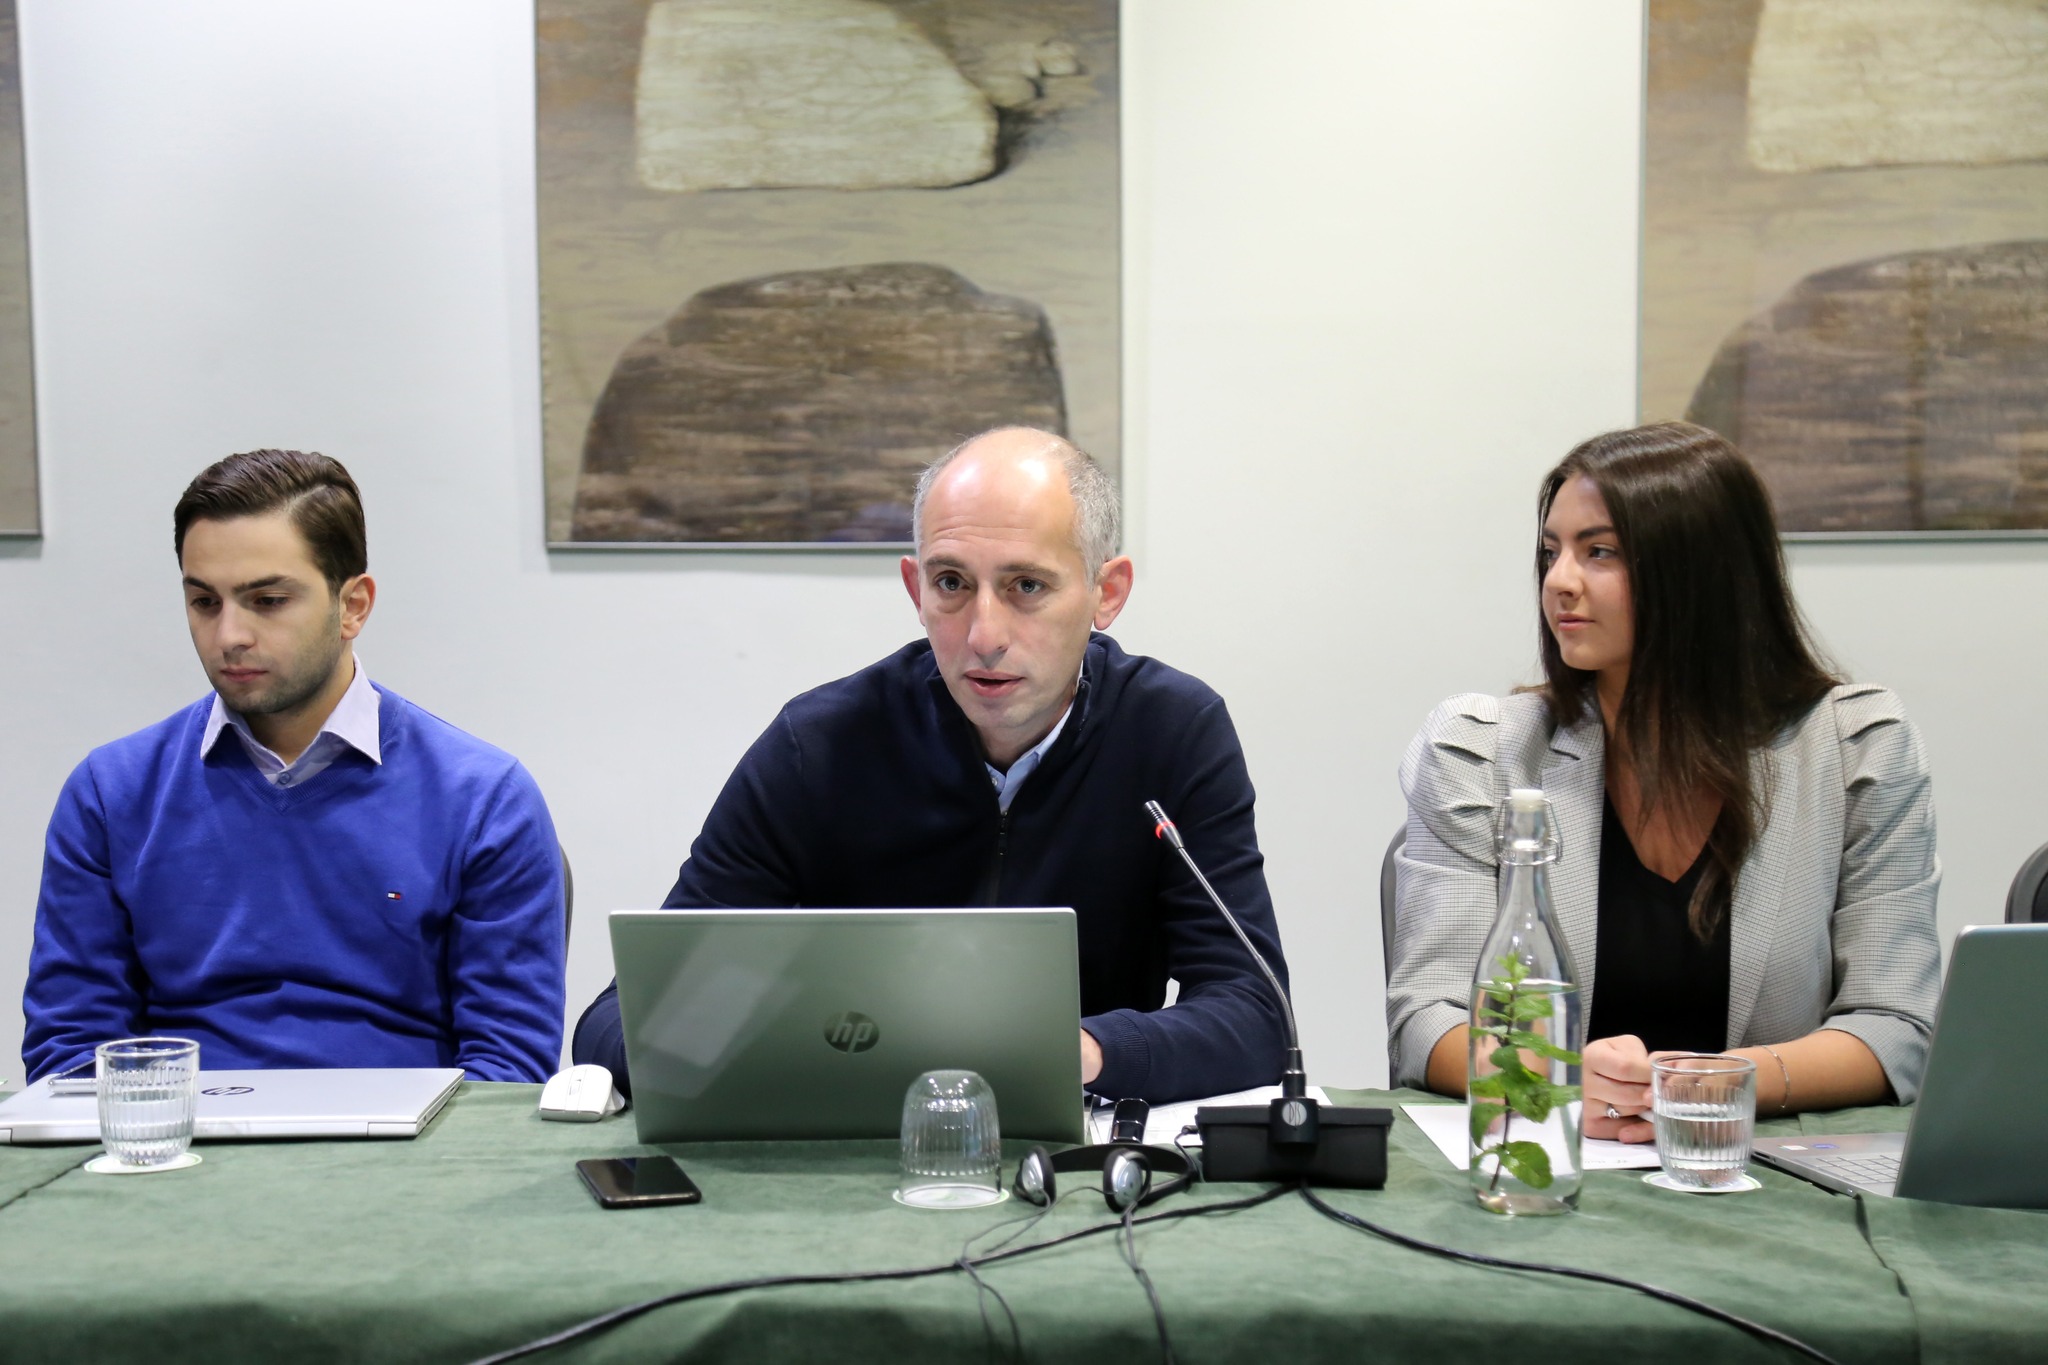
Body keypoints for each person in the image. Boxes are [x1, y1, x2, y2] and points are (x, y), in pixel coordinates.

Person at [573, 427, 1290, 1103]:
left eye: (1027, 586)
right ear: (916, 590)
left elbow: (1255, 1014)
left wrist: (1078, 1050)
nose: (984, 635)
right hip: (860, 1143)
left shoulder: (1172, 731)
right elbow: (618, 1023)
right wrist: (787, 1052)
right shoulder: (819, 745)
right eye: (952, 583)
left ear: (1107, 592)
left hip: (1078, 1150)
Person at [1388, 421, 1940, 1140]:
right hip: (1554, 1159)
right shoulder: (1483, 751)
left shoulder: (1856, 748)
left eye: (1600, 551)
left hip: (1763, 1169)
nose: (1559, 581)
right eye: (1552, 551)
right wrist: (1562, 1078)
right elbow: (1427, 1020)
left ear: (1700, 570)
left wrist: (1708, 1084)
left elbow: (1894, 1025)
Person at [23, 449, 565, 1082]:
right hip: (182, 1132)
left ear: (353, 605)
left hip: (408, 1136)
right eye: (204, 602)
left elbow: (508, 1067)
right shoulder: (110, 793)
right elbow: (71, 1049)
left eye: (269, 600)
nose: (230, 636)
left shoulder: (483, 799)